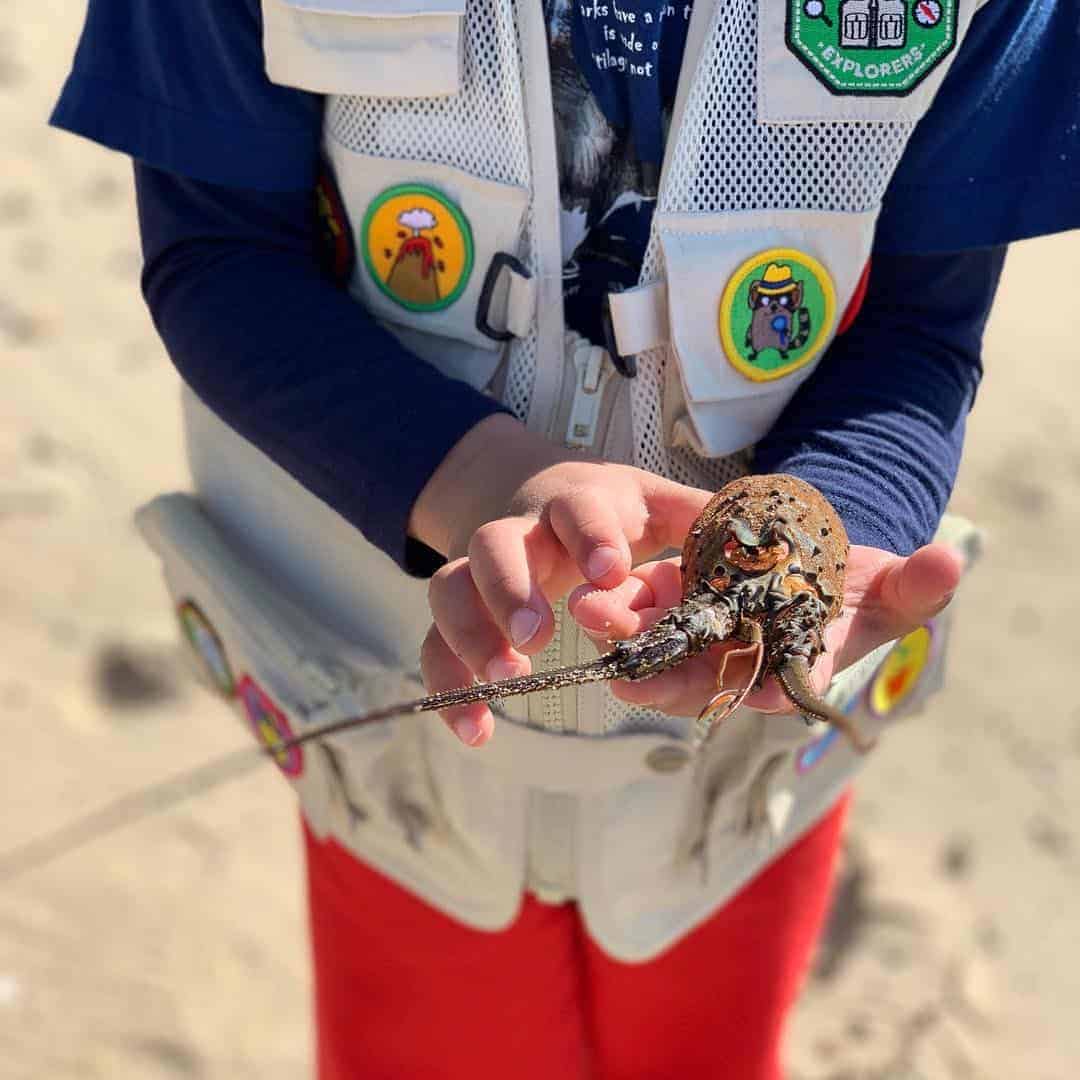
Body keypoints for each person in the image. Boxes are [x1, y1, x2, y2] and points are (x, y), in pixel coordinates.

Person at [52, 1, 1079, 1077]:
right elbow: (217, 254)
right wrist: (485, 479)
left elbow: (922, 329)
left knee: (707, 1047)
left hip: (734, 760)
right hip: (395, 707)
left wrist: (846, 518)